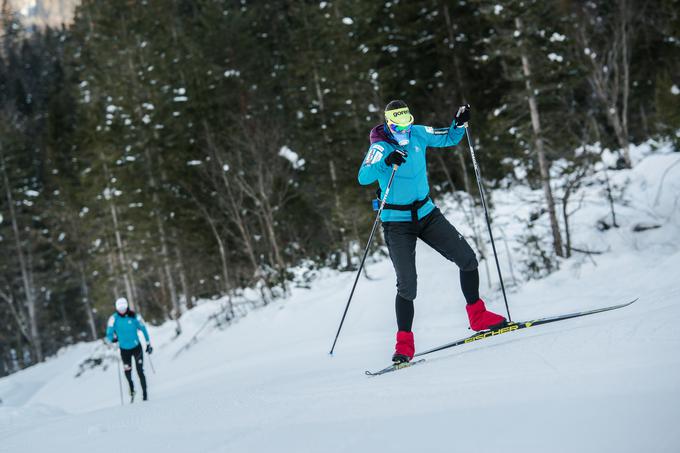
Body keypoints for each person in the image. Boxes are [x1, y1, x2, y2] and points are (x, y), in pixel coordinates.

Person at [358, 100, 506, 364]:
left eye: (407, 125)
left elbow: (447, 137)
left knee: (467, 258)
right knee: (408, 286)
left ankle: (478, 316)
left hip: (426, 214)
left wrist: (458, 124)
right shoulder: (380, 146)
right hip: (396, 222)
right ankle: (404, 345)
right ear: (390, 125)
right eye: (399, 127)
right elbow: (364, 176)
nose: (405, 131)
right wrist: (385, 161)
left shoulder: (418, 133)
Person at [106, 297, 152, 401]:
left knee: (140, 370)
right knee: (128, 372)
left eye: (124, 307)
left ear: (127, 306)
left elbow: (143, 329)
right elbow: (109, 333)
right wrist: (112, 338)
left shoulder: (135, 316)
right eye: (120, 307)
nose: (122, 310)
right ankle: (132, 389)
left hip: (136, 348)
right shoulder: (113, 319)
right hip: (124, 350)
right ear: (117, 308)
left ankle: (145, 394)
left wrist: (148, 344)